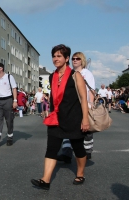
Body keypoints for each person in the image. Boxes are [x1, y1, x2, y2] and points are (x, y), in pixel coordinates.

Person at [31, 44, 89, 190]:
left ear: (67, 58)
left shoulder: (76, 76)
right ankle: (45, 180)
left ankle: (80, 173)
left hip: (74, 118)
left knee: (78, 148)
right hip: (56, 118)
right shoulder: (52, 76)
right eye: (54, 56)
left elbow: (83, 98)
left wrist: (85, 119)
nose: (55, 59)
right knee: (51, 149)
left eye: (59, 56)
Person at [57, 52, 96, 163]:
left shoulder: (87, 73)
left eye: (77, 59)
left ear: (82, 60)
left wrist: (91, 103)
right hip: (72, 105)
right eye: (73, 58)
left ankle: (87, 151)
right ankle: (66, 153)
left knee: (86, 130)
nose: (75, 60)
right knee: (67, 128)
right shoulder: (69, 73)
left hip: (85, 104)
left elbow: (92, 89)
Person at [0, 63, 18, 147]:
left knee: (9, 120)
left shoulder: (9, 77)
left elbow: (14, 89)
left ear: (1, 69)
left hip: (8, 100)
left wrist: (15, 101)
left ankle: (9, 137)